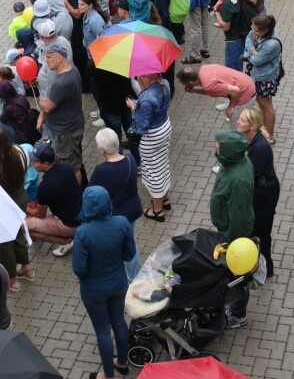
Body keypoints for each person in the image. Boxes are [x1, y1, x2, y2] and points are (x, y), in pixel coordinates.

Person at [73, 186, 136, 379]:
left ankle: (108, 375)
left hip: (93, 290)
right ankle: (122, 362)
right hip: (118, 283)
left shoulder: (83, 232)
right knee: (119, 321)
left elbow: (79, 269)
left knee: (102, 330)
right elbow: (130, 254)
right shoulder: (122, 223)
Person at [210, 129, 255, 329]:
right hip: (227, 230)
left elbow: (239, 215)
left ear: (229, 150)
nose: (215, 147)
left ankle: (238, 315)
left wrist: (230, 242)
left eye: (219, 146)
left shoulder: (239, 180)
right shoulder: (233, 163)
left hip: (234, 236)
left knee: (237, 277)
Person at [0, 127, 36, 291]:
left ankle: (12, 280)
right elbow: (26, 168)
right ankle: (27, 268)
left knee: (3, 242)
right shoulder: (20, 151)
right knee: (18, 232)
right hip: (20, 198)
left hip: (4, 205)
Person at [237, 106, 279, 279]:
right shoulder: (248, 139)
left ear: (253, 126)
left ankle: (266, 266)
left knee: (261, 231)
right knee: (254, 230)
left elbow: (249, 173)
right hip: (258, 189)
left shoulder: (260, 147)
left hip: (264, 194)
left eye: (242, 120)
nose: (238, 122)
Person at [37, 41, 86, 181]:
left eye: (49, 57)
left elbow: (47, 106)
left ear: (59, 58)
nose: (45, 60)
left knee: (71, 166)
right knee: (74, 159)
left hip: (65, 133)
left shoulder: (61, 83)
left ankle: (74, 191)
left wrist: (39, 101)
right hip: (70, 127)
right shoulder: (73, 70)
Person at [128, 73, 172, 221]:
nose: (137, 79)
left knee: (153, 171)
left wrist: (133, 108)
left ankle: (157, 210)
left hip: (152, 136)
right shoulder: (165, 83)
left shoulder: (146, 98)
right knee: (162, 164)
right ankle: (165, 199)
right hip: (164, 127)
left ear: (145, 77)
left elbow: (142, 126)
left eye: (138, 76)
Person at [25, 141, 82, 256]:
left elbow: (40, 215)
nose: (32, 163)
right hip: (80, 214)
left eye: (35, 161)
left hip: (69, 224)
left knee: (26, 227)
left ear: (46, 164)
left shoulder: (44, 187)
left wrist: (23, 207)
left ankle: (68, 241)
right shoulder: (66, 167)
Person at [243, 14, 282, 144]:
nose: (252, 31)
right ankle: (264, 129)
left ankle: (270, 136)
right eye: (252, 28)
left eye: (256, 31)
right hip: (256, 74)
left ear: (265, 30)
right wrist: (252, 51)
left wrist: (249, 53)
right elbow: (248, 38)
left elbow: (256, 60)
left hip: (265, 78)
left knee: (266, 105)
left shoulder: (271, 44)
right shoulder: (258, 30)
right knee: (260, 102)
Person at [178, 63, 256, 121]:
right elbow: (211, 90)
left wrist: (230, 107)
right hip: (247, 81)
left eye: (182, 83)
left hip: (245, 92)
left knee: (237, 125)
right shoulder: (204, 68)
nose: (182, 84)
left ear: (190, 82)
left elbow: (235, 90)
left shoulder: (208, 85)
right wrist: (194, 90)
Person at [215, 0, 251, 71]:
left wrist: (216, 12)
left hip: (233, 43)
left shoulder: (228, 3)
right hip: (239, 39)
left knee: (233, 72)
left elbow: (225, 27)